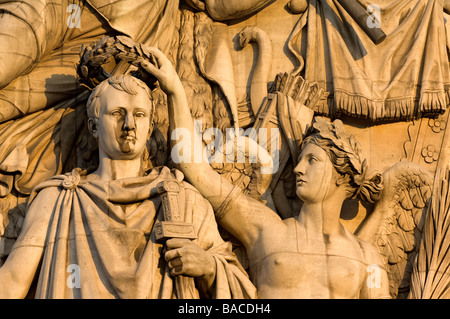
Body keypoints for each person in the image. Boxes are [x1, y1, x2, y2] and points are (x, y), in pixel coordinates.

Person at [141, 47, 391, 298]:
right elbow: (195, 169)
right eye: (300, 160)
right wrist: (174, 90)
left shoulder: (367, 257)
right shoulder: (266, 229)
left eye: (312, 160)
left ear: (341, 175)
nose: (298, 169)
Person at [0, 74, 256, 299]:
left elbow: (244, 292)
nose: (129, 125)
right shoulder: (57, 199)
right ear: (93, 126)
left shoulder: (185, 200)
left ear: (149, 127)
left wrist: (209, 266)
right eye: (117, 113)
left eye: (139, 115)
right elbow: (12, 282)